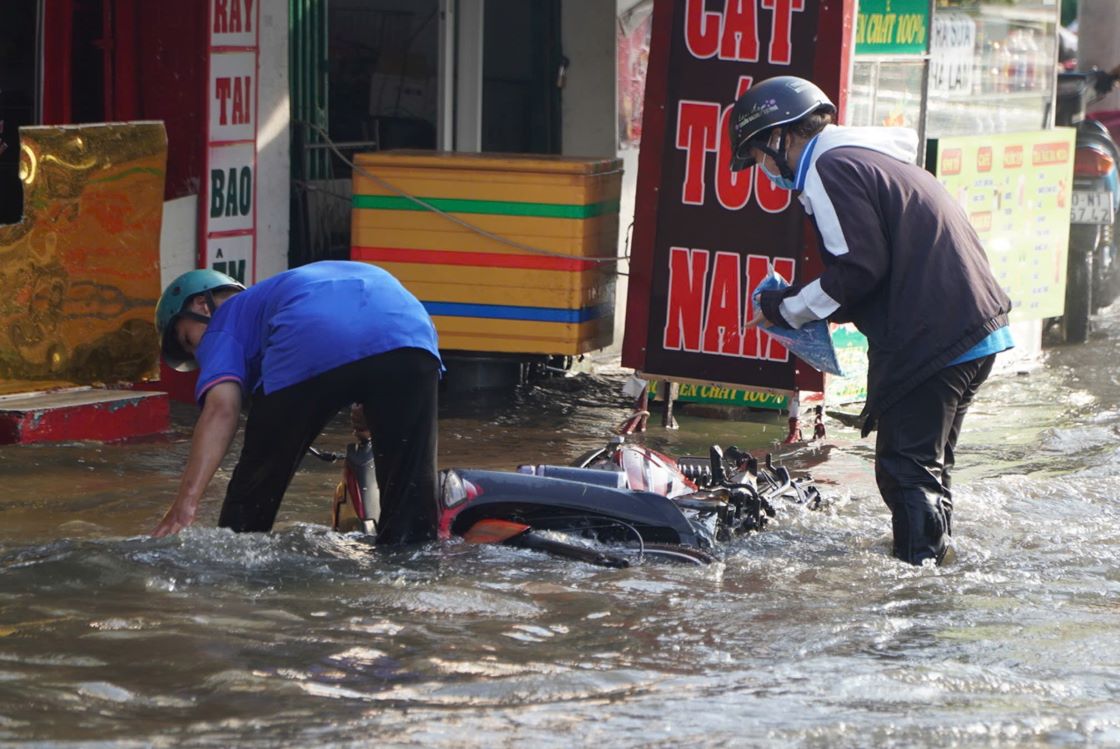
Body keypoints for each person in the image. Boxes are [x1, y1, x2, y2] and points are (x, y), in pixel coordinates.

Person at [729, 76, 1013, 566]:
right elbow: (868, 269)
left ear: (781, 137)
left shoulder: (827, 167)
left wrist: (785, 308)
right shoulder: (866, 157)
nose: (764, 170)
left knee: (904, 469)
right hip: (970, 330)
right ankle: (935, 565)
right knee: (926, 467)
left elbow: (859, 269)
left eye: (758, 157)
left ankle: (916, 590)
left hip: (936, 337)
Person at [151, 260, 443, 544]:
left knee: (250, 502)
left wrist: (183, 506)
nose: (201, 356)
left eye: (189, 340)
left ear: (202, 305)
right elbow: (365, 339)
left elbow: (221, 410)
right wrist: (373, 411)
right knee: (410, 502)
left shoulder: (224, 319)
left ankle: (233, 578)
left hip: (311, 332)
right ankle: (412, 573)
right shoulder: (276, 297)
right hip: (411, 333)